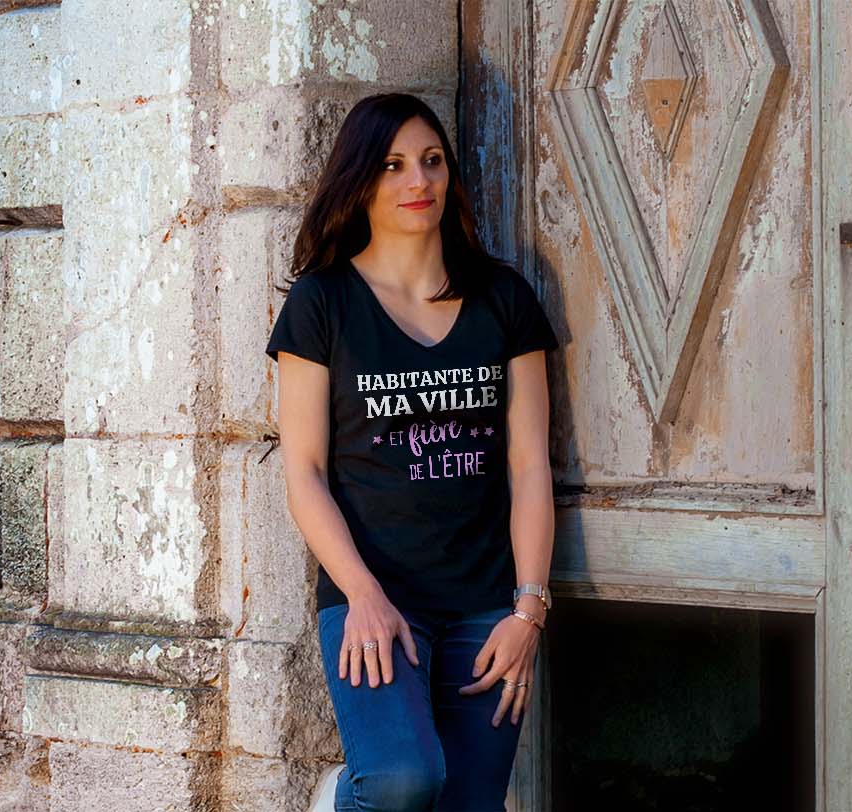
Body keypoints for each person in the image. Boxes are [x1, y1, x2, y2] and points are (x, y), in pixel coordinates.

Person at [266, 92, 558, 812]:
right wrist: (361, 594)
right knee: (401, 782)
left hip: (486, 602)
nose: (417, 182)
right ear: (362, 181)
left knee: (468, 803)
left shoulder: (504, 298)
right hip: (374, 594)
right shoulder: (321, 303)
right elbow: (303, 473)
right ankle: (345, 795)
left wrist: (528, 611)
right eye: (393, 166)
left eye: (431, 162)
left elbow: (528, 466)